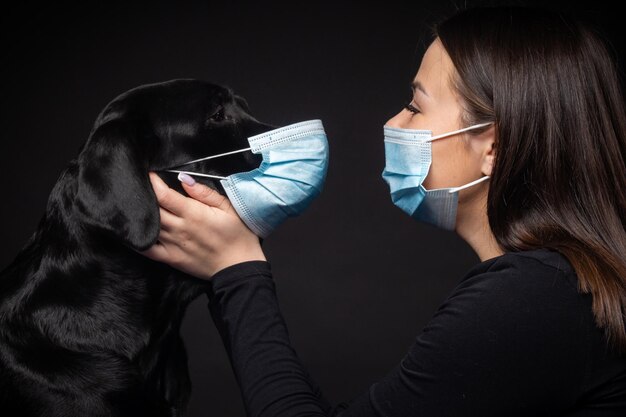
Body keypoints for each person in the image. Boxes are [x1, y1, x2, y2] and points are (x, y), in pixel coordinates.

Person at [141, 6, 626, 416]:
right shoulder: (560, 289)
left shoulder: (529, 298)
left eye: (415, 106)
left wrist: (237, 270)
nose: (393, 122)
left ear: (493, 147)